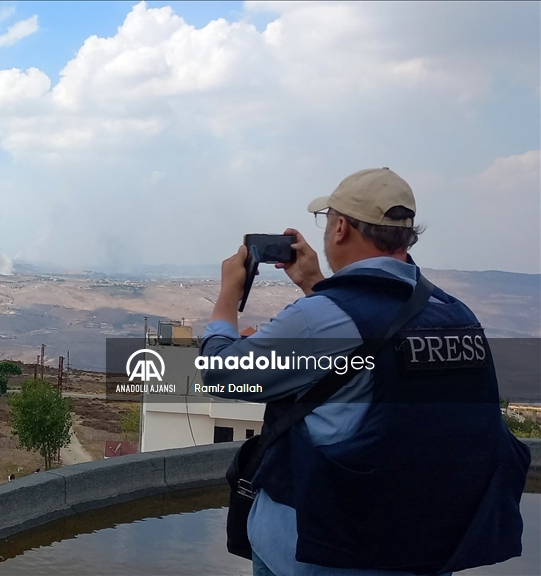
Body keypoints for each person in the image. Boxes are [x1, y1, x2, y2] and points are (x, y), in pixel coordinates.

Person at [199, 168, 530, 576]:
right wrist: (314, 283)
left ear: (340, 228)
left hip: (324, 550)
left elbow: (221, 372)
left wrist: (229, 291)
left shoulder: (319, 319)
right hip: (424, 547)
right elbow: (372, 362)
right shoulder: (456, 314)